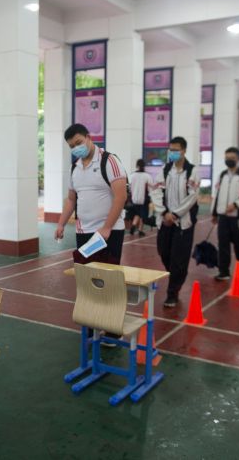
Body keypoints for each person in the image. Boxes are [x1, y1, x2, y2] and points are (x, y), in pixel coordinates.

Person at [55, 123, 128, 345]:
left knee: (109, 281)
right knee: (87, 281)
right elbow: (71, 199)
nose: (76, 147)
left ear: (88, 137)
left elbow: (120, 196)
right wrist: (60, 223)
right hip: (84, 234)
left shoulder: (109, 161)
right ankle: (91, 325)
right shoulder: (75, 168)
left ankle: (113, 329)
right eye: (71, 146)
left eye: (78, 142)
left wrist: (106, 227)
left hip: (109, 233)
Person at [151, 136, 200, 306]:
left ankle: (173, 292)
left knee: (179, 258)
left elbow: (192, 197)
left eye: (176, 150)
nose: (172, 153)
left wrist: (176, 215)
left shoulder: (192, 171)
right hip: (164, 221)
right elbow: (155, 192)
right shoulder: (165, 170)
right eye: (170, 150)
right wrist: (164, 213)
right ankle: (176, 277)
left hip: (183, 224)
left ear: (184, 150)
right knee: (163, 252)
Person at [211, 147, 239, 281]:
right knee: (222, 244)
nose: (229, 160)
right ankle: (224, 271)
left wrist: (236, 205)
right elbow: (217, 195)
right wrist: (214, 213)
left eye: (232, 158)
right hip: (223, 217)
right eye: (227, 158)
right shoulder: (222, 175)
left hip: (237, 218)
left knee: (238, 245)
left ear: (238, 159)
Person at [128, 158, 153, 237]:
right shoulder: (147, 176)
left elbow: (129, 187)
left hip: (134, 198)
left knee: (137, 213)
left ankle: (133, 225)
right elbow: (150, 188)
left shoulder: (132, 175)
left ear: (137, 166)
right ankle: (140, 230)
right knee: (143, 215)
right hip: (144, 199)